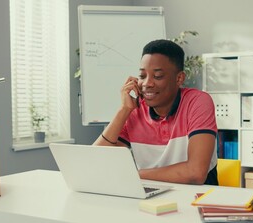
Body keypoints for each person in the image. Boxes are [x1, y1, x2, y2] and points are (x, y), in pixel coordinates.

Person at [93, 39, 218, 185]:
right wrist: (124, 110)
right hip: (149, 195)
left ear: (179, 78)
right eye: (142, 76)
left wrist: (134, 175)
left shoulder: (197, 102)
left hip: (196, 197)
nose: (147, 84)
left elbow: (195, 173)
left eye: (157, 76)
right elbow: (96, 160)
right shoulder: (134, 110)